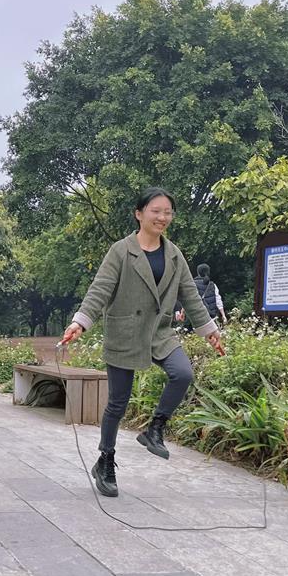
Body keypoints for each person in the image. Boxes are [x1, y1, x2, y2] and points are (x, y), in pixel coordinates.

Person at [62, 187, 225, 498]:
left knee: (183, 373)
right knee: (118, 403)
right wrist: (80, 322)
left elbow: (190, 295)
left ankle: (155, 428)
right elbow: (100, 289)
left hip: (159, 332)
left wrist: (209, 330)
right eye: (156, 211)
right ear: (139, 214)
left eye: (168, 212)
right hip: (125, 332)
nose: (163, 217)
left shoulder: (174, 254)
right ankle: (105, 460)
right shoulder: (121, 251)